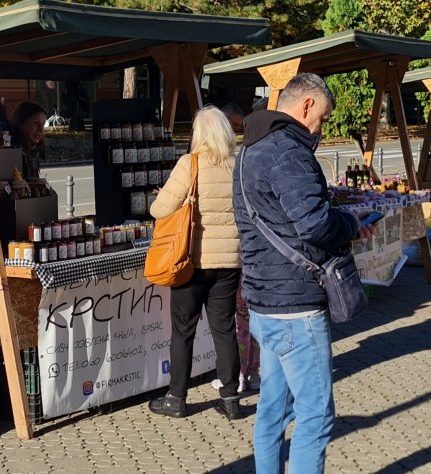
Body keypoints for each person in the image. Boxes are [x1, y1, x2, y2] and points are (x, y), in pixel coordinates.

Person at [233, 72, 377, 473]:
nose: (321, 128)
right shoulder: (288, 152)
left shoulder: (251, 148)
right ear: (306, 104)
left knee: (273, 410)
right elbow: (314, 225)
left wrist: (341, 222)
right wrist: (351, 223)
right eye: (323, 118)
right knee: (315, 415)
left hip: (264, 299)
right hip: (294, 306)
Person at [148, 105, 243, 420]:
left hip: (191, 261)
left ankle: (176, 398)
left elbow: (159, 210)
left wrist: (170, 198)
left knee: (183, 331)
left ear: (198, 134)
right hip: (229, 261)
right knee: (224, 329)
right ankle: (230, 398)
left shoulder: (190, 164)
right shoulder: (238, 165)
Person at [211, 103, 262, 394]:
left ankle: (240, 373)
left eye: (239, 127)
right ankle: (251, 371)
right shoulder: (247, 161)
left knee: (241, 318)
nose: (235, 131)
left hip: (239, 253)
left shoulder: (231, 162)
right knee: (248, 316)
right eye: (232, 126)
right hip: (250, 251)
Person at [10, 101, 48, 179]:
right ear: (21, 124)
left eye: (43, 124)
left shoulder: (33, 151)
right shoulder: (11, 152)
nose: (40, 130)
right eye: (35, 123)